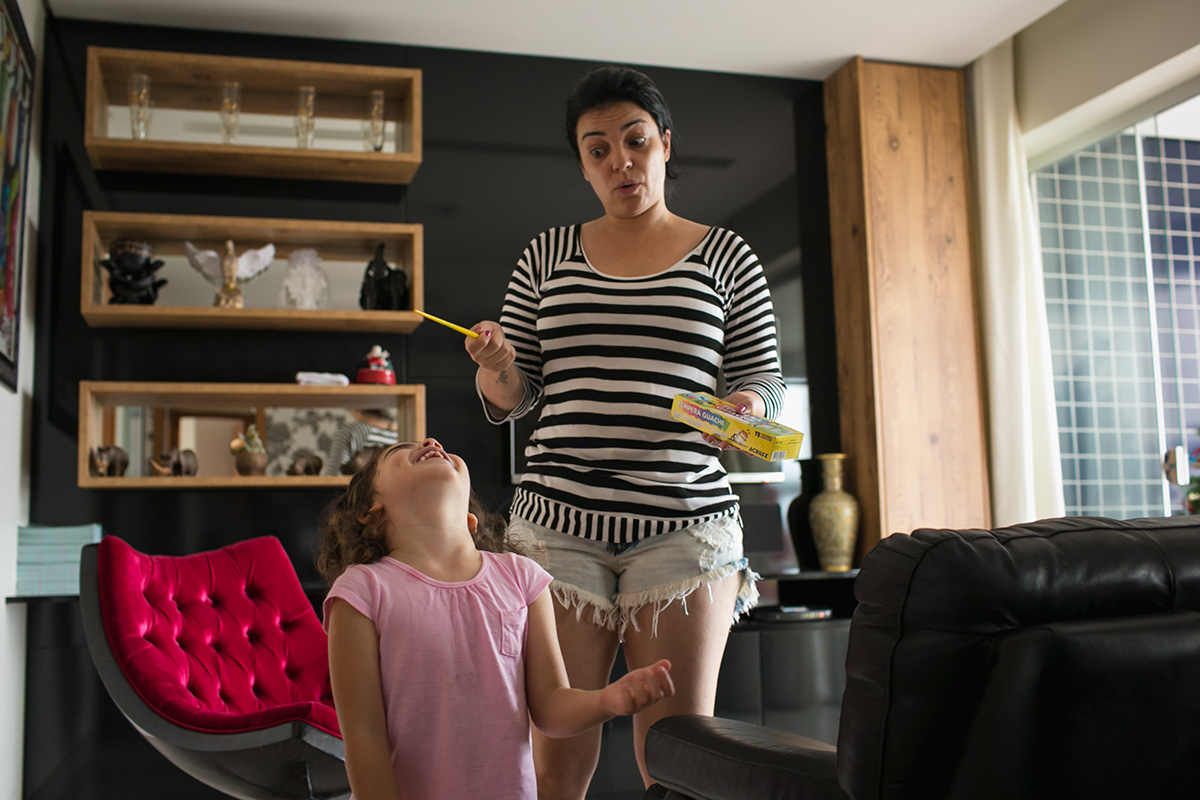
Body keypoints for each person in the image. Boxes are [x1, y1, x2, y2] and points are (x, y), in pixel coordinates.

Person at [463, 65, 786, 796]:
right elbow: (514, 395)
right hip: (557, 527)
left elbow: (764, 378)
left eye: (635, 141)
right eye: (598, 149)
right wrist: (495, 364)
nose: (621, 162)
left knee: (675, 755)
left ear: (666, 145)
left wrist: (747, 410)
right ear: (582, 165)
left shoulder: (727, 256)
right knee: (556, 749)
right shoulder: (544, 257)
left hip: (682, 524)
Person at [318, 438, 675, 800]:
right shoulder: (362, 590)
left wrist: (608, 701)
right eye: (399, 451)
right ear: (369, 511)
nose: (431, 442)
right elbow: (364, 736)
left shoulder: (523, 578)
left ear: (471, 519)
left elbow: (550, 706)